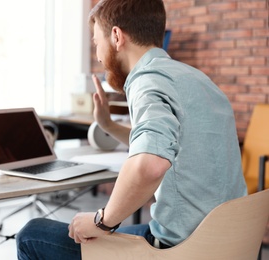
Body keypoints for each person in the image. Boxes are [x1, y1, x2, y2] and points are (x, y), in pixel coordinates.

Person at [16, 0, 247, 259]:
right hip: (228, 242)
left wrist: (102, 220)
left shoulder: (147, 80)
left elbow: (151, 164)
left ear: (116, 36)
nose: (99, 56)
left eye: (96, 43)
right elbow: (168, 144)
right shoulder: (198, 80)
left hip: (181, 249)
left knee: (32, 234)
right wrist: (108, 125)